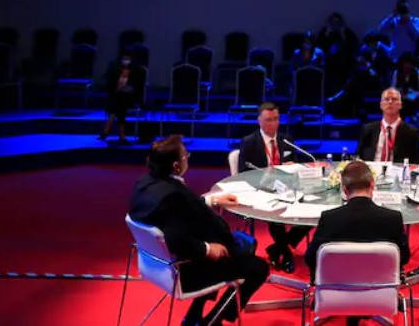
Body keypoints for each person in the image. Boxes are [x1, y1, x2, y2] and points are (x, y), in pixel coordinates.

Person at [128, 135, 268, 326]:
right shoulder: (173, 195)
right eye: (186, 156)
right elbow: (177, 240)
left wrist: (212, 200)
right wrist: (208, 249)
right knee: (258, 266)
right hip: (185, 270)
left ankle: (194, 314)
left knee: (242, 244)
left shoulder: (145, 184)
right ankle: (212, 321)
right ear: (176, 166)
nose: (188, 158)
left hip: (156, 264)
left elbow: (179, 210)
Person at [305, 160, 410, 281]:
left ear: (344, 189)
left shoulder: (329, 218)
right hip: (382, 288)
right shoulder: (393, 218)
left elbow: (311, 258)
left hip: (336, 287)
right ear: (372, 185)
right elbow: (404, 257)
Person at [236, 103, 307, 273]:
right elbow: (243, 172)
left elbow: (297, 166)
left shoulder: (286, 139)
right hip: (262, 189)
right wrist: (265, 175)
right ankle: (286, 254)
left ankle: (277, 248)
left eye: (276, 119)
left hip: (287, 187)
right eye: (268, 120)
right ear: (259, 121)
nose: (273, 124)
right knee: (276, 216)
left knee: (310, 213)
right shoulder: (249, 142)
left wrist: (292, 166)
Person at [355, 88, 419, 164]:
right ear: (381, 105)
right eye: (386, 99)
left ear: (400, 105)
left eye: (394, 99)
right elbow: (357, 158)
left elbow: (416, 163)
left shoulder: (411, 132)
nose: (390, 102)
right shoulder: (368, 130)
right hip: (372, 170)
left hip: (397, 171)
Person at [99, 50, 143, 143]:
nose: (125, 60)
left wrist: (129, 88)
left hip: (130, 96)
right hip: (117, 95)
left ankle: (107, 129)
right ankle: (122, 136)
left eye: (127, 59)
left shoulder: (136, 69)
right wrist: (117, 88)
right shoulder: (115, 68)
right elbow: (110, 84)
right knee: (119, 104)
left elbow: (138, 85)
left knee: (118, 103)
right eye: (124, 58)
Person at [390, 52, 419, 120]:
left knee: (412, 103)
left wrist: (414, 93)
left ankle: (414, 115)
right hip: (400, 98)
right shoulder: (396, 73)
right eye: (406, 63)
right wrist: (399, 91)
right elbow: (392, 89)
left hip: (413, 99)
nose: (407, 66)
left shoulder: (418, 74)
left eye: (410, 64)